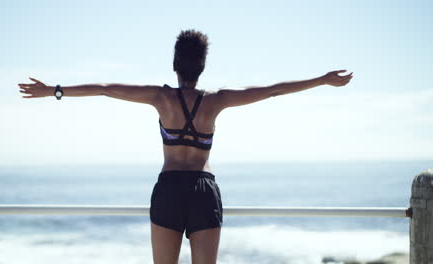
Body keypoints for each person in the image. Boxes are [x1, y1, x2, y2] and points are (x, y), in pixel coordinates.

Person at [18, 29, 353, 264]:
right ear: (202, 66)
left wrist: (54, 90)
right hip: (203, 191)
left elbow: (105, 88)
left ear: (175, 64)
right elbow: (271, 90)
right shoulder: (217, 101)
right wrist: (322, 80)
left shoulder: (161, 97)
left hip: (169, 190)